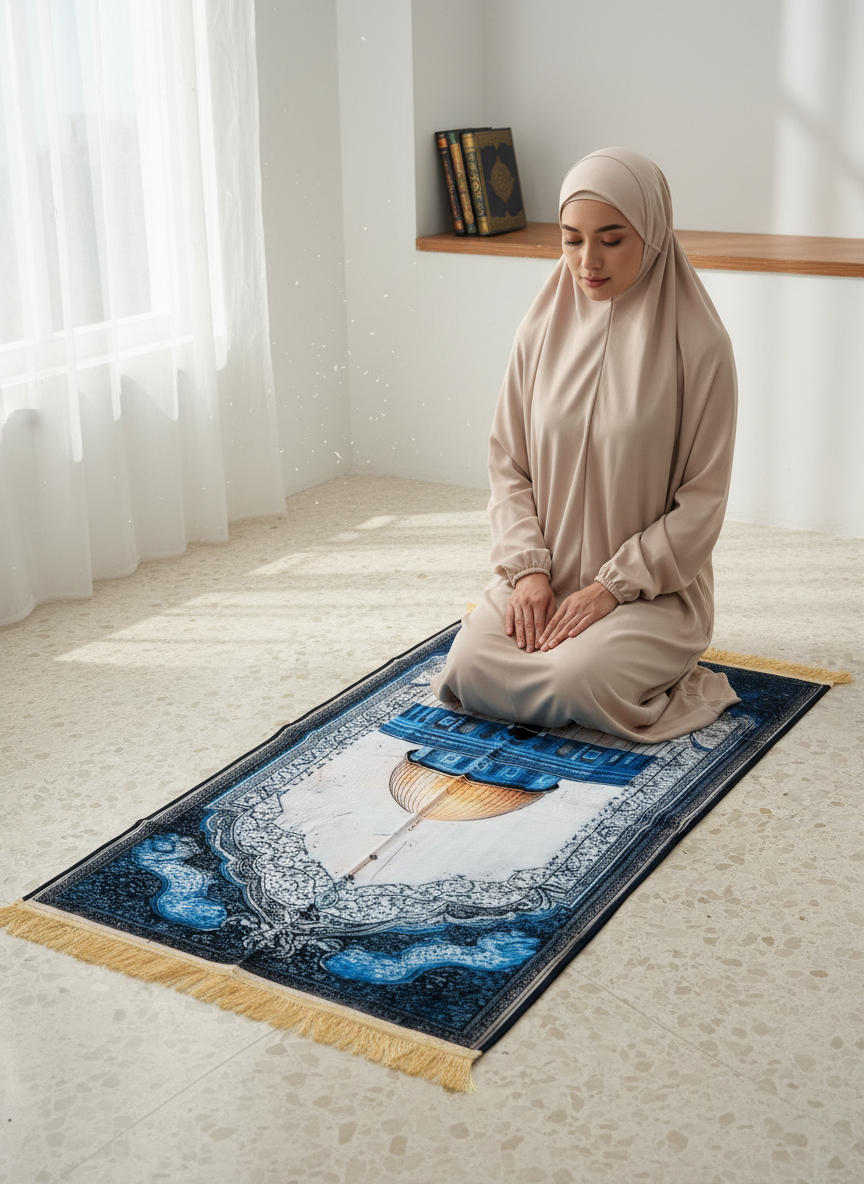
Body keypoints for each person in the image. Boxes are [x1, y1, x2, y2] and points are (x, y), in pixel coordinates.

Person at [431, 147, 740, 743]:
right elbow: (508, 464)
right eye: (572, 240)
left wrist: (609, 589)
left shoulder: (701, 348)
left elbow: (703, 503)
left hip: (648, 592)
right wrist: (526, 572)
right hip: (543, 580)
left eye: (611, 239)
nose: (587, 261)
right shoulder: (540, 330)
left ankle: (657, 662)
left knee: (577, 681)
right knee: (468, 669)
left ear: (650, 233)